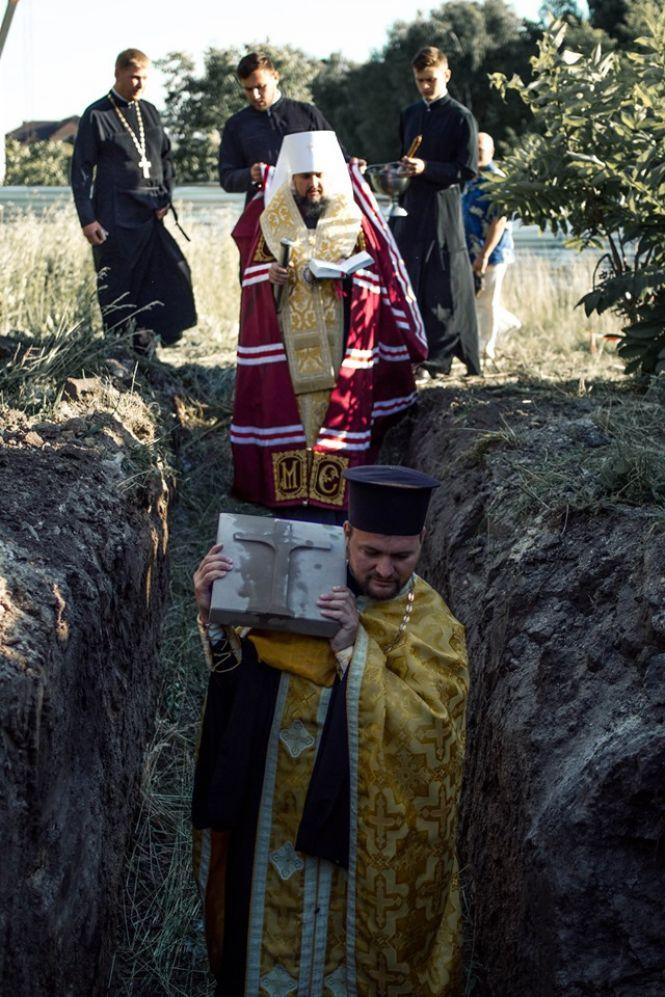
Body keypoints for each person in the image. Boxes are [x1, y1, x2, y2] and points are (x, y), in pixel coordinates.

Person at [192, 464, 469, 996]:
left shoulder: (435, 627)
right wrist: (214, 615)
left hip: (355, 844)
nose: (385, 570)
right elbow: (242, 675)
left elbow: (432, 737)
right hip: (269, 819)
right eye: (370, 553)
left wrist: (352, 649)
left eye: (402, 556)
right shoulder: (291, 586)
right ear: (346, 535)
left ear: (423, 542)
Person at [230, 129, 427, 521]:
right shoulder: (272, 218)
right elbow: (249, 276)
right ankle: (291, 494)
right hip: (287, 336)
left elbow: (373, 278)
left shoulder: (348, 217)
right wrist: (271, 276)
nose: (314, 184)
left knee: (331, 412)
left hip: (338, 333)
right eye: (305, 177)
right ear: (292, 178)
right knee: (295, 412)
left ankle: (329, 495)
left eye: (319, 175)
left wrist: (348, 276)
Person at [71, 48, 196, 351]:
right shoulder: (96, 115)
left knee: (173, 271)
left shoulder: (150, 111)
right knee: (119, 285)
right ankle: (118, 349)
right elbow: (81, 171)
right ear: (118, 74)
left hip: (150, 213)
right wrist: (88, 219)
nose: (140, 84)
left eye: (144, 78)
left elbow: (165, 160)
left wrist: (166, 196)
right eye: (134, 77)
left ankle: (151, 342)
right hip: (113, 217)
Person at [394, 46, 481, 379]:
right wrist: (403, 168)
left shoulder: (461, 117)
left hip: (444, 207)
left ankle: (438, 360)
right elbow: (401, 156)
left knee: (441, 284)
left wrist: (426, 167)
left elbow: (467, 169)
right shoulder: (409, 114)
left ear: (446, 75)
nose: (425, 87)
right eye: (420, 81)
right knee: (410, 279)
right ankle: (413, 353)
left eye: (431, 80)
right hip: (411, 205)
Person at [219, 51, 337, 203]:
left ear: (275, 77)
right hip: (262, 216)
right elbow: (227, 178)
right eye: (248, 89)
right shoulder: (236, 125)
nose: (255, 95)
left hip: (310, 215)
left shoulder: (307, 114)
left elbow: (338, 160)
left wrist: (355, 167)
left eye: (260, 87)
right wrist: (250, 175)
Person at [462, 132, 521, 361]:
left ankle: (486, 348)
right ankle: (509, 324)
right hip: (468, 249)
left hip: (492, 252)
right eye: (473, 148)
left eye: (481, 149)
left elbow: (499, 221)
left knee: (487, 301)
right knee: (478, 299)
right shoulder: (470, 178)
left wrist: (485, 254)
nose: (477, 153)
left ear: (491, 151)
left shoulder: (497, 180)